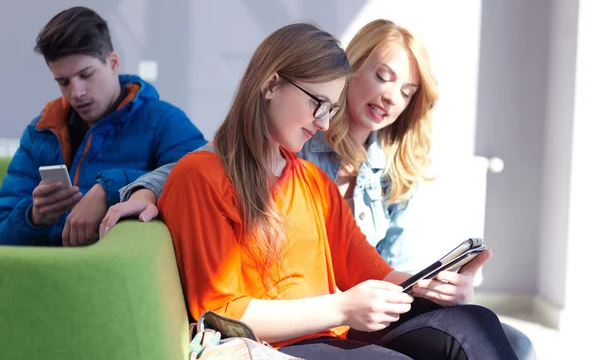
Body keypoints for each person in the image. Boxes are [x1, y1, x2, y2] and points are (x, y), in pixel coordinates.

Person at [104, 22, 517, 359]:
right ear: (270, 84)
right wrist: (341, 307)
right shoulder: (201, 175)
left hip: (331, 332)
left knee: (473, 323)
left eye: (331, 109)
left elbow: (373, 272)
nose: (323, 122)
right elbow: (221, 311)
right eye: (317, 104)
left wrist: (432, 286)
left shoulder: (314, 184)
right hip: (273, 343)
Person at [0, 6, 207, 246]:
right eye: (63, 82)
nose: (76, 92)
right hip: (43, 280)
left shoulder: (164, 120)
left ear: (113, 63)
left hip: (122, 279)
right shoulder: (40, 131)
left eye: (86, 75)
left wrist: (108, 190)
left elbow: (201, 180)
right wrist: (33, 217)